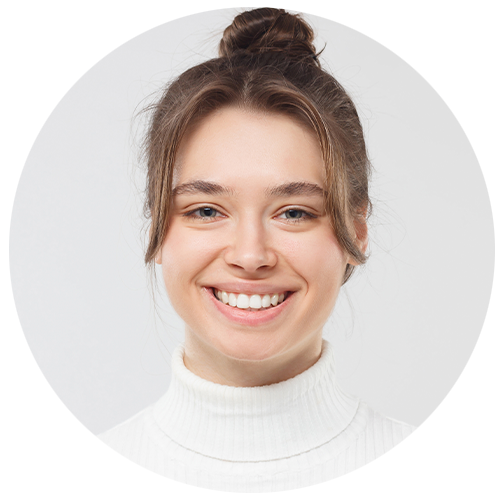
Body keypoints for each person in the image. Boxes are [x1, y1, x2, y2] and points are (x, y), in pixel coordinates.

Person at [10, 7, 494, 493]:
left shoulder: (462, 484)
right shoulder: (52, 489)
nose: (250, 255)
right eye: (206, 210)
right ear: (156, 226)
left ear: (357, 230)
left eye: (294, 212)